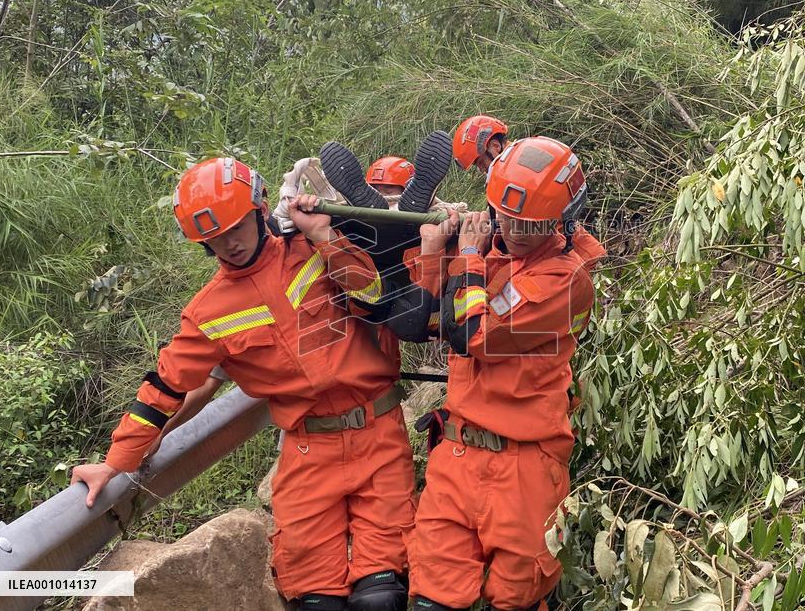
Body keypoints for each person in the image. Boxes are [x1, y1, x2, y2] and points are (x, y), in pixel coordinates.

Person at [71, 157, 413, 611]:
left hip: (379, 434)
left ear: (260, 210)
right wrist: (115, 463)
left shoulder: (314, 249)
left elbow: (373, 297)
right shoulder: (208, 313)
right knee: (315, 599)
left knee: (381, 596)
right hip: (310, 451)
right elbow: (163, 391)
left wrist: (323, 236)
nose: (228, 243)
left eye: (235, 228)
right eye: (214, 238)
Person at [402, 137, 596, 610]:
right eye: (504, 215)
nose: (513, 229)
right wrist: (436, 250)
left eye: (528, 224)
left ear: (563, 221)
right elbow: (428, 324)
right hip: (459, 452)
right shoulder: (493, 252)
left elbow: (475, 335)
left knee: (516, 599)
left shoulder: (566, 280)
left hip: (524, 465)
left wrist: (467, 255)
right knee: (431, 595)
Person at [452, 115, 606, 272]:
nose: (481, 169)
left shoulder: (518, 173)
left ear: (495, 146)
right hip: (574, 252)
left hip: (577, 258)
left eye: (480, 162)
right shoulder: (520, 162)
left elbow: (509, 223)